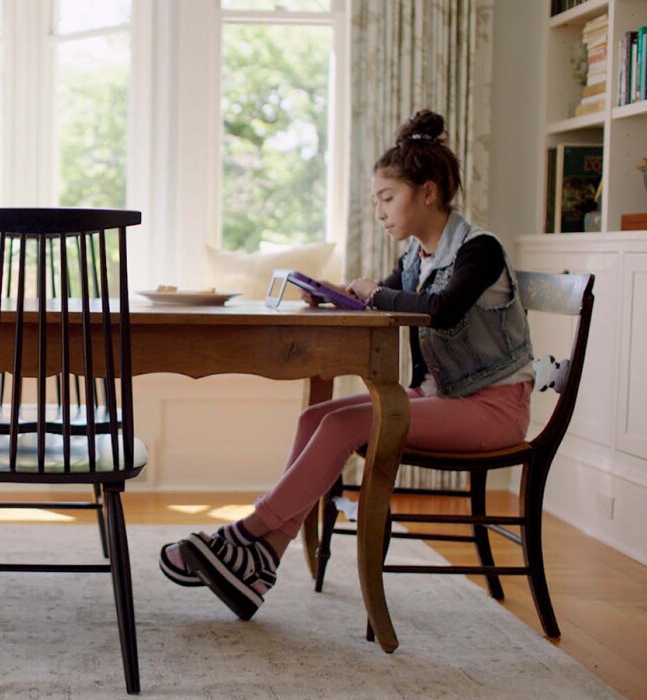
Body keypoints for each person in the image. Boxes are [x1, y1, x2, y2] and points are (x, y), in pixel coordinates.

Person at [159, 110, 534, 620]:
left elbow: (441, 309)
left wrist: (375, 293)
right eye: (376, 200)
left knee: (345, 421)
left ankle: (244, 535)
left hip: (492, 407)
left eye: (387, 198)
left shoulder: (480, 250)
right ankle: (264, 559)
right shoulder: (417, 257)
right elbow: (385, 300)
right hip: (443, 398)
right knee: (316, 417)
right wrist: (337, 296)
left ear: (427, 194)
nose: (379, 211)